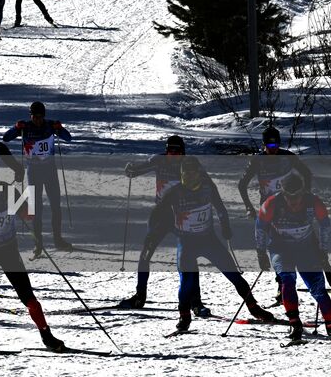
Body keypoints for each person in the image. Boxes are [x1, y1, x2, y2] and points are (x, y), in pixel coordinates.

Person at [141, 157, 276, 332]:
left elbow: (220, 208)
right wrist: (151, 235)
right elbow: (157, 213)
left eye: (192, 173)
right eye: (184, 174)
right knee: (186, 282)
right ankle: (184, 317)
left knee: (234, 275)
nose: (188, 177)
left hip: (208, 240)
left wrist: (226, 227)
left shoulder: (207, 187)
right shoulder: (175, 192)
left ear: (199, 173)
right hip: (187, 242)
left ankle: (254, 307)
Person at [0, 161, 66, 353]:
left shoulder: (8, 191)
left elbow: (28, 215)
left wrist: (25, 209)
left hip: (7, 248)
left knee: (27, 296)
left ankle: (47, 336)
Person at [118, 135, 208, 315]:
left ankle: (195, 302)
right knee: (145, 254)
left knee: (188, 259)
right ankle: (139, 296)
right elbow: (137, 170)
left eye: (177, 151)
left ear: (183, 152)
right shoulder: (159, 160)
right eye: (169, 150)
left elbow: (206, 184)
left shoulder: (191, 164)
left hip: (183, 216)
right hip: (161, 215)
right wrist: (131, 170)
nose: (172, 155)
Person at [238, 125, 315, 303]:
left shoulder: (288, 156)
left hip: (292, 204)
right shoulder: (257, 161)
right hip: (270, 209)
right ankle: (283, 287)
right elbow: (242, 185)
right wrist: (249, 207)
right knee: (277, 246)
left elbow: (307, 174)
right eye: (269, 147)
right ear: (263, 145)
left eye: (276, 147)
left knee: (307, 240)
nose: (273, 151)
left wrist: (307, 196)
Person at [254, 172, 331, 342]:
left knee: (318, 288)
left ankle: (330, 323)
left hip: (306, 248)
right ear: (283, 193)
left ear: (303, 191)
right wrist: (260, 252)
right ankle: (295, 323)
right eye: (290, 196)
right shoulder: (272, 203)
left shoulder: (314, 201)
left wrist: (323, 251)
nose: (294, 200)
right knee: (287, 279)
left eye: (298, 195)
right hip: (281, 248)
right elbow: (260, 227)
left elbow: (325, 226)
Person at [1, 101, 73, 256]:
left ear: (44, 116)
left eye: (40, 117)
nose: (38, 120)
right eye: (35, 117)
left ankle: (58, 240)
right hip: (33, 171)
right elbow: (6, 138)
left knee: (55, 205)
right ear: (30, 115)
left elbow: (68, 138)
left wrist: (60, 128)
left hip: (49, 170)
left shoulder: (49, 125)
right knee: (36, 208)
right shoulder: (25, 127)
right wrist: (16, 128)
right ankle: (38, 243)